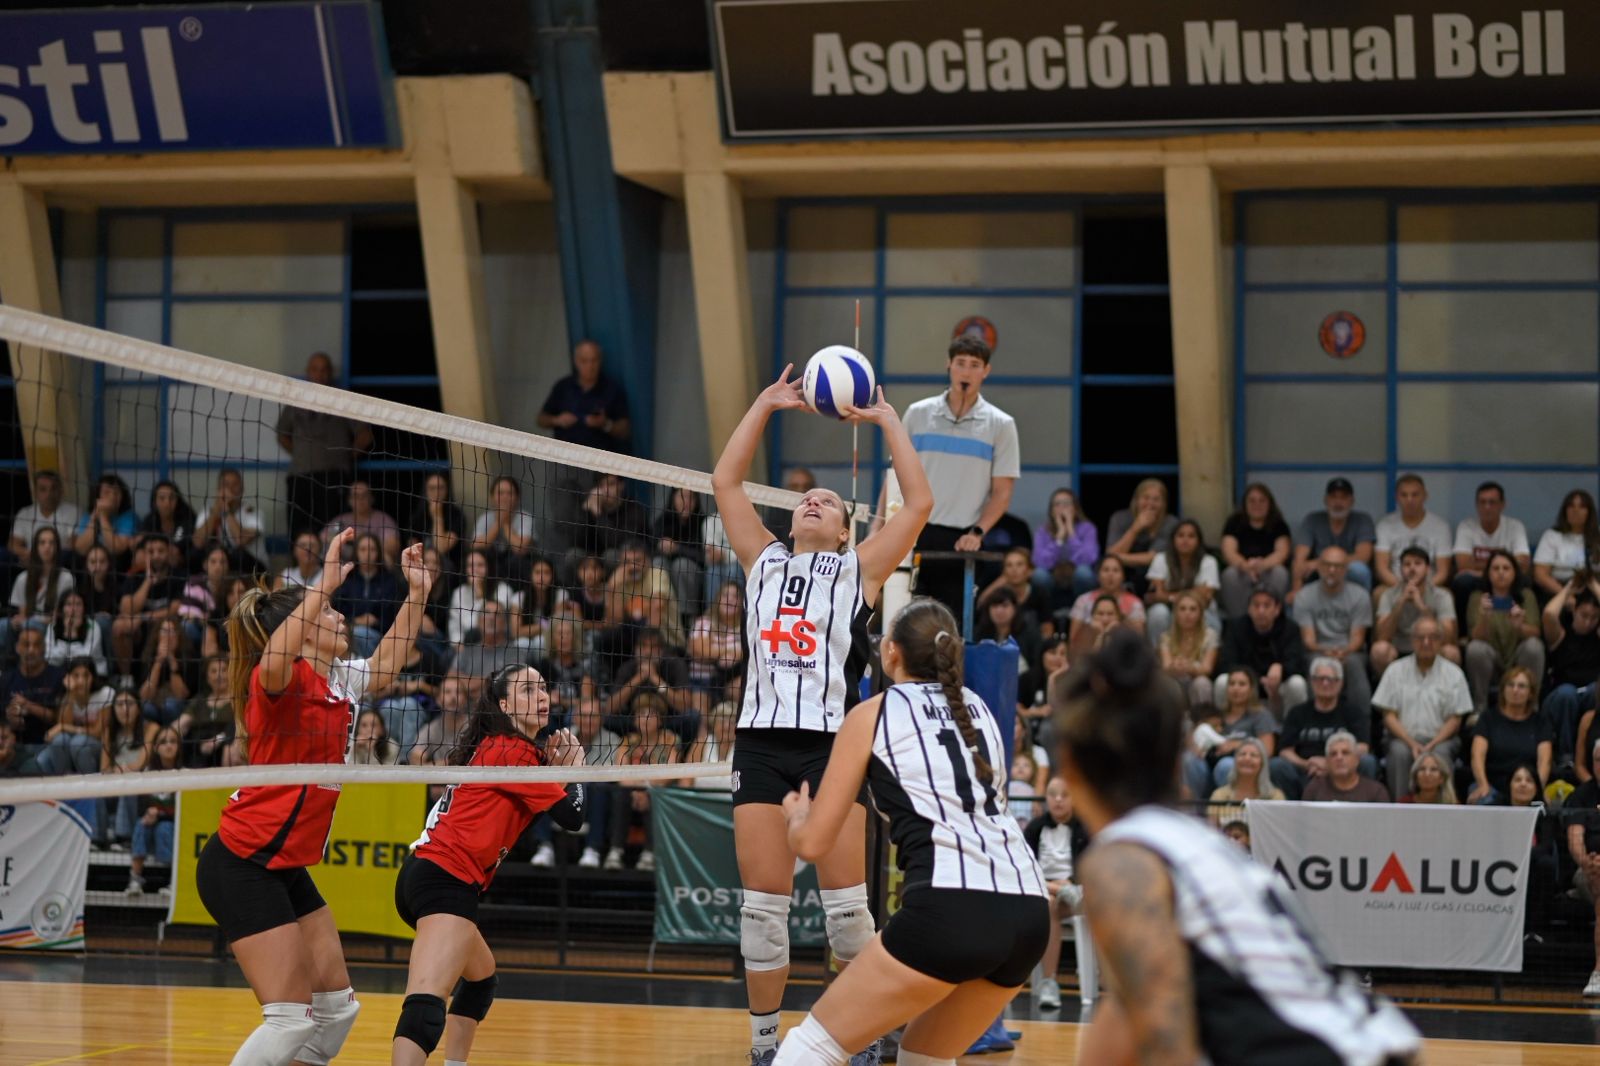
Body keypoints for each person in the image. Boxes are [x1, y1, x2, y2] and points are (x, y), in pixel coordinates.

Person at [1053, 630, 1420, 1064]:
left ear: (1069, 766)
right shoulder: (1198, 843)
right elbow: (1121, 1019)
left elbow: (1164, 1044)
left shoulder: (1124, 860)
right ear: (1176, 764)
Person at [712, 365, 931, 1066]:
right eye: (806, 498)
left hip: (832, 749)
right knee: (762, 917)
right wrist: (764, 404)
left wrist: (887, 420)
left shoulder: (859, 569)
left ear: (843, 531)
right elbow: (725, 482)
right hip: (759, 746)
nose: (813, 501)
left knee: (847, 919)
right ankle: (763, 1048)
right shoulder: (763, 561)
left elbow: (919, 503)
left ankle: (864, 1036)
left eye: (828, 501)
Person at [774, 598, 1048, 1066]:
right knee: (925, 1058)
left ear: (891, 652)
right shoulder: (979, 710)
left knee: (813, 1045)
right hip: (1028, 911)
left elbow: (814, 843)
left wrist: (798, 818)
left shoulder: (872, 714)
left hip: (952, 907)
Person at [192, 529, 429, 1066]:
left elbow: (387, 662)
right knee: (289, 1018)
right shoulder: (275, 679)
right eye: (327, 612)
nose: (339, 616)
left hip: (285, 865)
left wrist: (417, 594)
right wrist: (322, 583)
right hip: (243, 863)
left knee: (336, 1011)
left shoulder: (339, 679)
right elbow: (278, 653)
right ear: (298, 629)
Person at [392, 663, 585, 1066]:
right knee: (426, 1005)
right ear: (504, 704)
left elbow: (530, 809)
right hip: (445, 878)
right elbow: (572, 817)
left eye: (543, 687)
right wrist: (576, 773)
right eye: (527, 689)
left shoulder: (510, 750)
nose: (542, 696)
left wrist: (559, 773)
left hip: (432, 875)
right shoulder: (511, 750)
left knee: (480, 980)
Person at [895, 334, 1018, 621]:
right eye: (960, 363)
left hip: (961, 540)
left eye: (975, 365)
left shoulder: (1001, 425)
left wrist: (977, 533)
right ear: (948, 365)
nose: (966, 372)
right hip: (913, 531)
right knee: (905, 620)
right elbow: (895, 475)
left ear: (986, 371)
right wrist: (880, 525)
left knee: (951, 624)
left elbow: (1002, 493)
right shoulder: (917, 414)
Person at [1372, 616, 1473, 800]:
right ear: (1412, 640)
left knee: (1440, 754)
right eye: (1420, 637)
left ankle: (1444, 806)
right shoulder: (1395, 670)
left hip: (1441, 740)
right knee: (1399, 752)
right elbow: (1388, 715)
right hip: (1402, 739)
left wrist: (1432, 745)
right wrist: (1412, 743)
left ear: (1441, 641)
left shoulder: (1454, 674)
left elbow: (1455, 719)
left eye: (1432, 637)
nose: (1426, 642)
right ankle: (1401, 807)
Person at [276, 350, 373, 537]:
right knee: (299, 532)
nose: (319, 374)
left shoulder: (343, 400)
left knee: (332, 532)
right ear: (308, 372)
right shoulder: (295, 401)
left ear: (330, 373)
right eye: (315, 369)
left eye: (323, 370)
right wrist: (302, 454)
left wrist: (345, 456)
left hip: (333, 477)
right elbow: (282, 435)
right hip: (301, 477)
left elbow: (365, 435)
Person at [1021, 777, 1086, 1014]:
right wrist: (1055, 886)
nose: (1058, 800)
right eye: (1052, 794)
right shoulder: (1035, 828)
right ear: (1045, 798)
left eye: (1064, 795)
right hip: (1042, 890)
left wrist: (1071, 883)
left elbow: (1089, 867)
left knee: (1063, 899)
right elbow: (1025, 868)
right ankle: (1049, 982)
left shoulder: (1084, 828)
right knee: (1049, 905)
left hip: (1077, 893)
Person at [1271, 657, 1377, 800]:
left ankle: (1361, 806)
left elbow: (1362, 747)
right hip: (1307, 771)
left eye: (1331, 679)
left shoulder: (1353, 712)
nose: (1325, 683)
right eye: (1320, 679)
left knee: (1367, 761)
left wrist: (1330, 764)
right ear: (1312, 682)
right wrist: (1306, 764)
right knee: (1277, 765)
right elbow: (1285, 751)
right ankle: (1291, 809)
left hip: (1344, 770)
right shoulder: (1297, 712)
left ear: (1340, 683)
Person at [1294, 546, 1373, 719]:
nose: (1332, 570)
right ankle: (1314, 721)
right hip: (1317, 650)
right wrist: (1326, 652)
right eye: (1327, 565)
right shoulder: (1304, 596)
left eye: (1338, 566)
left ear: (1346, 569)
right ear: (1318, 567)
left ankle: (1362, 722)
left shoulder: (1360, 596)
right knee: (1317, 665)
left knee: (1353, 664)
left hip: (1350, 651)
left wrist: (1343, 652)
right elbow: (1308, 640)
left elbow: (1357, 639)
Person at [1463, 549, 1545, 716]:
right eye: (1496, 568)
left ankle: (1532, 707)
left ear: (1515, 572)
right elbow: (1475, 637)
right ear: (1488, 573)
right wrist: (1484, 618)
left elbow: (1536, 632)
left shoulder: (1526, 596)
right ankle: (1479, 708)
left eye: (1506, 568)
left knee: (1534, 646)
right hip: (1491, 662)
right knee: (1475, 648)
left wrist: (1519, 626)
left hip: (1518, 660)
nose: (1501, 573)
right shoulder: (1478, 597)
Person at [1183, 668, 1276, 799]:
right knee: (1189, 759)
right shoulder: (1216, 714)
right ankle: (1194, 808)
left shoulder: (1260, 715)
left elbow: (1267, 749)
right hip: (1209, 762)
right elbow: (1197, 732)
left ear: (1251, 689)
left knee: (1226, 765)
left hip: (1240, 764)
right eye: (1232, 684)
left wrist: (1236, 745)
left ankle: (1231, 807)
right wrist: (1195, 747)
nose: (1236, 688)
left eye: (1242, 684)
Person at [1371, 546, 1460, 680]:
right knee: (1379, 650)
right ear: (1401, 570)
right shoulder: (1388, 595)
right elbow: (1382, 636)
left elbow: (1448, 637)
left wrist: (1422, 607)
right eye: (1407, 564)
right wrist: (1400, 603)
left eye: (1418, 564)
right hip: (1399, 647)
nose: (1412, 568)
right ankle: (1389, 691)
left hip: (1430, 646)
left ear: (1427, 569)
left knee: (1451, 652)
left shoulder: (1442, 596)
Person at [1467, 665, 1552, 804]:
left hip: (1525, 784)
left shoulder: (1540, 722)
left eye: (1521, 686)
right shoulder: (1488, 718)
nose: (1515, 690)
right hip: (1492, 784)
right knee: (1483, 799)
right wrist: (1483, 784)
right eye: (1510, 685)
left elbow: (1545, 761)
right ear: (1503, 690)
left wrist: (1538, 788)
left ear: (1531, 693)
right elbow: (1477, 756)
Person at [1216, 587, 1308, 713]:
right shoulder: (1236, 627)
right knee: (1222, 681)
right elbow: (1226, 662)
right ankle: (1225, 722)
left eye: (1266, 605)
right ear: (1249, 609)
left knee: (1297, 683)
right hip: (1247, 684)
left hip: (1279, 687)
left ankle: (1293, 723)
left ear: (1277, 609)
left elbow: (1297, 663)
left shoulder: (1290, 628)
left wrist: (1282, 669)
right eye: (1256, 605)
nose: (1261, 611)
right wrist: (1251, 678)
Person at [111, 533, 188, 679]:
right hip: (140, 631)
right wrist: (148, 581)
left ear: (169, 552)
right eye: (151, 552)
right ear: (145, 555)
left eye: (161, 551)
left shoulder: (178, 576)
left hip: (167, 626)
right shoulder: (135, 576)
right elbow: (127, 609)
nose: (156, 556)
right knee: (119, 626)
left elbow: (175, 609)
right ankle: (127, 677)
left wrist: (142, 617)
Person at [1541, 576, 1600, 765]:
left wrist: (1594, 586)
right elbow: (1549, 613)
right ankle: (1565, 756)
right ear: (1574, 610)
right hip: (1560, 697)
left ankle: (1589, 755)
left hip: (1589, 694)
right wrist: (1569, 587)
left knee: (1595, 690)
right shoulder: (1560, 634)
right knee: (1567, 694)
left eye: (1594, 617)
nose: (1588, 622)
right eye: (1584, 615)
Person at [536, 339, 632, 452]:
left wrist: (605, 424)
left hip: (599, 457)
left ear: (600, 361)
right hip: (565, 455)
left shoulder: (612, 389)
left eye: (594, 360)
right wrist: (557, 420)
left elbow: (625, 431)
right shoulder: (563, 386)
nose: (590, 366)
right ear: (576, 361)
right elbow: (541, 419)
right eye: (584, 361)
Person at [1452, 481, 1531, 615]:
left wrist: (1479, 565)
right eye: (1482, 502)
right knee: (1462, 581)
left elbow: (1522, 563)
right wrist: (1503, 566)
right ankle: (1465, 627)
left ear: (1502, 505)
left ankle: (1519, 622)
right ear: (1476, 505)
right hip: (1477, 579)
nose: (1487, 507)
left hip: (1504, 577)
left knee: (1524, 581)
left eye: (1492, 502)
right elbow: (1463, 564)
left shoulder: (1515, 527)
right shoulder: (1466, 526)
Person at [1291, 477, 1376, 598]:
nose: (1338, 502)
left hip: (1346, 570)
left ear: (1352, 501)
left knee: (1360, 570)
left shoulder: (1363, 520)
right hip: (1318, 574)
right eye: (1333, 497)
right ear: (1326, 500)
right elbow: (1300, 558)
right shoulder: (1312, 520)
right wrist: (1296, 591)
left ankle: (1361, 606)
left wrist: (1321, 563)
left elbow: (1363, 556)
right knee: (1295, 590)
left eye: (1343, 498)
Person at [1218, 482, 1293, 619]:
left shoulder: (1279, 525)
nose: (1257, 505)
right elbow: (1228, 551)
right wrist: (1245, 566)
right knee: (1230, 574)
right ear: (1245, 504)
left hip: (1267, 569)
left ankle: (1271, 618)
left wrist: (1262, 565)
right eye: (1252, 501)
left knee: (1280, 573)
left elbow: (1282, 552)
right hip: (1242, 570)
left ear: (1269, 503)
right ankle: (1239, 621)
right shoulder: (1234, 523)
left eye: (1262, 501)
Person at [1562, 737, 1600, 996]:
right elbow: (1575, 841)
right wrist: (1587, 862)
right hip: (1588, 870)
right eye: (1598, 760)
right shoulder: (1582, 795)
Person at [1144, 519, 1220, 646]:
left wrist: (1169, 596)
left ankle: (1204, 657)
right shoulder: (1161, 559)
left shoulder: (1209, 561)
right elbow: (1157, 595)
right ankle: (1158, 655)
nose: (1185, 540)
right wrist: (1193, 593)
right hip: (1168, 609)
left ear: (1199, 541)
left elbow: (1206, 596)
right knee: (1158, 613)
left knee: (1208, 619)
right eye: (1180, 535)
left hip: (1201, 608)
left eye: (1191, 536)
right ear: (1173, 539)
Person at [126, 725, 182, 896]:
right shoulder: (148, 772)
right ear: (156, 747)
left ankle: (174, 882)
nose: (168, 745)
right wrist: (149, 813)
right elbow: (141, 805)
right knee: (141, 824)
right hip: (152, 825)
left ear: (179, 746)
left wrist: (159, 813)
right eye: (163, 742)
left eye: (173, 741)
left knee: (164, 828)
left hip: (173, 826)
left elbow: (183, 809)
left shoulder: (184, 773)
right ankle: (135, 879)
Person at [1374, 474, 1452, 591]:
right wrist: (1403, 588)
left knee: (1448, 595)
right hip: (1395, 586)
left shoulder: (1441, 527)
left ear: (1425, 496)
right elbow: (1382, 569)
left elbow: (1443, 572)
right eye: (1404, 495)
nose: (1409, 500)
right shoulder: (1384, 525)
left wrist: (1422, 589)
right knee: (1378, 593)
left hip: (1430, 587)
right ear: (1396, 497)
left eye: (1415, 495)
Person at [4, 526, 76, 652]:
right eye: (42, 543)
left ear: (57, 548)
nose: (47, 547)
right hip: (27, 623)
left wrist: (33, 620)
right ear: (35, 548)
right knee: (4, 626)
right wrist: (18, 621)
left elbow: (60, 615)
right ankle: (9, 662)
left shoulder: (66, 577)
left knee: (31, 624)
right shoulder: (23, 578)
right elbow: (23, 613)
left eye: (51, 543)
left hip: (52, 626)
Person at [1104, 478, 1179, 589]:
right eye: (1146, 498)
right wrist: (1135, 529)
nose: (1150, 503)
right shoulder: (1119, 518)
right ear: (1136, 500)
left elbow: (1152, 558)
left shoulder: (1170, 523)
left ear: (1163, 504)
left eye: (1156, 499)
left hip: (1153, 576)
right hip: (1122, 573)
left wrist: (1118, 557)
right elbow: (1110, 556)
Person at [2, 626, 65, 760]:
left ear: (44, 648)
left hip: (49, 746)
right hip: (14, 747)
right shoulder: (6, 679)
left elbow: (60, 719)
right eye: (26, 645)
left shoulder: (58, 676)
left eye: (36, 645)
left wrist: (29, 706)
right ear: (17, 648)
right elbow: (3, 721)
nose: (31, 650)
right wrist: (11, 721)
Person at [1031, 488, 1099, 605]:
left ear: (1075, 508)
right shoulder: (1042, 531)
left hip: (1078, 579)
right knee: (1039, 575)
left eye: (1066, 504)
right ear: (1051, 511)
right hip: (1052, 578)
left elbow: (1088, 559)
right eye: (1057, 504)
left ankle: (1082, 608)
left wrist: (1071, 532)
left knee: (1084, 573)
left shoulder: (1088, 528)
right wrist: (1059, 538)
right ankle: (1046, 610)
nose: (1062, 508)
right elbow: (1040, 562)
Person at [195, 467, 267, 575]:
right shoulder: (207, 513)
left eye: (235, 485)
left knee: (238, 554)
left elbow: (240, 540)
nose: (230, 489)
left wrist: (226, 510)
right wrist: (215, 512)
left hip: (253, 569)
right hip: (220, 567)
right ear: (218, 489)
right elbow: (198, 542)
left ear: (242, 489)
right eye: (226, 485)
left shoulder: (254, 513)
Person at [1067, 555, 1146, 652]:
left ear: (1123, 576)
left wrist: (1120, 627)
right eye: (1106, 570)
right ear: (1098, 575)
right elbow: (1073, 642)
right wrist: (1090, 630)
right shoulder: (1083, 601)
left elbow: (1139, 642)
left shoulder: (1134, 603)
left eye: (1115, 570)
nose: (1110, 574)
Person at [1533, 489, 1600, 600]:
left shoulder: (1598, 535)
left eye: (1582, 507)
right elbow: (1540, 574)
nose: (1575, 511)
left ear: (1589, 512)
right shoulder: (1552, 536)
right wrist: (1566, 596)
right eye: (1571, 506)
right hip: (1560, 589)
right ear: (1565, 511)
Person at [1158, 590, 1218, 709]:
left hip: (1197, 681)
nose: (1187, 614)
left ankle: (1203, 717)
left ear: (1200, 613)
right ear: (1175, 613)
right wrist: (1174, 667)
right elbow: (1166, 667)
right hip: (1175, 680)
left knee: (1202, 683)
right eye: (1182, 609)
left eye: (1193, 609)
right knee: (1167, 684)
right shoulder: (1166, 637)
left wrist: (1190, 668)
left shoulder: (1210, 636)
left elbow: (1207, 669)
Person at [977, 547, 1054, 638]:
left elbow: (1047, 628)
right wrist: (999, 582)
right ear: (1003, 571)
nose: (1014, 570)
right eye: (1009, 565)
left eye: (1019, 564)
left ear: (1030, 570)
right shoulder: (997, 594)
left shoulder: (1039, 593)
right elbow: (980, 605)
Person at [1207, 737, 1285, 828]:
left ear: (1262, 764)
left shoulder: (1275, 797)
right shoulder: (1219, 795)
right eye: (1242, 754)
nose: (1247, 758)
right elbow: (1211, 832)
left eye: (1253, 755)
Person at [471, 476, 538, 582]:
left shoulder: (525, 517)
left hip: (519, 567)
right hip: (493, 563)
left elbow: (520, 549)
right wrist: (498, 523)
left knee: (516, 561)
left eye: (510, 493)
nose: (505, 497)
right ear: (492, 497)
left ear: (517, 497)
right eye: (500, 493)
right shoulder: (485, 518)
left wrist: (505, 523)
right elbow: (476, 547)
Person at [322, 479, 401, 566]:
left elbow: (393, 546)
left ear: (371, 498)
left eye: (364, 495)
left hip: (375, 567)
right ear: (349, 500)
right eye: (355, 496)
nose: (360, 499)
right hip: (345, 566)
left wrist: (360, 539)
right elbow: (322, 537)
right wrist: (343, 540)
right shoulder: (341, 519)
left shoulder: (383, 519)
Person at [9, 469, 80, 564]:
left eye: (53, 488)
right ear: (35, 492)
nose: (49, 494)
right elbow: (13, 544)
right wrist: (29, 554)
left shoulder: (73, 512)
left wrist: (46, 556)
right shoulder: (25, 513)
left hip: (60, 561)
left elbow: (73, 545)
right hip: (30, 560)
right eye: (43, 489)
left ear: (61, 490)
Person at [1302, 731, 1393, 803]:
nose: (1339, 758)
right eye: (1333, 754)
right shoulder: (1314, 789)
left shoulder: (1376, 792)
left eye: (1345, 753)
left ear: (1356, 760)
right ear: (1327, 762)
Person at [71, 473, 138, 564]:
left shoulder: (129, 516)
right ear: (97, 496)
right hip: (91, 562)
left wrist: (103, 517)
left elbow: (117, 549)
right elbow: (81, 549)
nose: (112, 497)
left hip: (117, 563)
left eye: (117, 493)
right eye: (106, 492)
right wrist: (94, 518)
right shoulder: (87, 516)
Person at [405, 470, 467, 569]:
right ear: (426, 491)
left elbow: (441, 548)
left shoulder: (456, 515)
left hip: (449, 568)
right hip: (422, 566)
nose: (437, 493)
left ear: (447, 490)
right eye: (432, 488)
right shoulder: (418, 516)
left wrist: (437, 517)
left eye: (441, 488)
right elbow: (414, 551)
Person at [138, 480, 197, 565]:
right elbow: (142, 543)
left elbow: (183, 548)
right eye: (162, 498)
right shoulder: (150, 520)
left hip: (184, 565)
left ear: (177, 500)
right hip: (157, 562)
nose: (167, 503)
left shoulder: (188, 518)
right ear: (154, 502)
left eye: (171, 498)